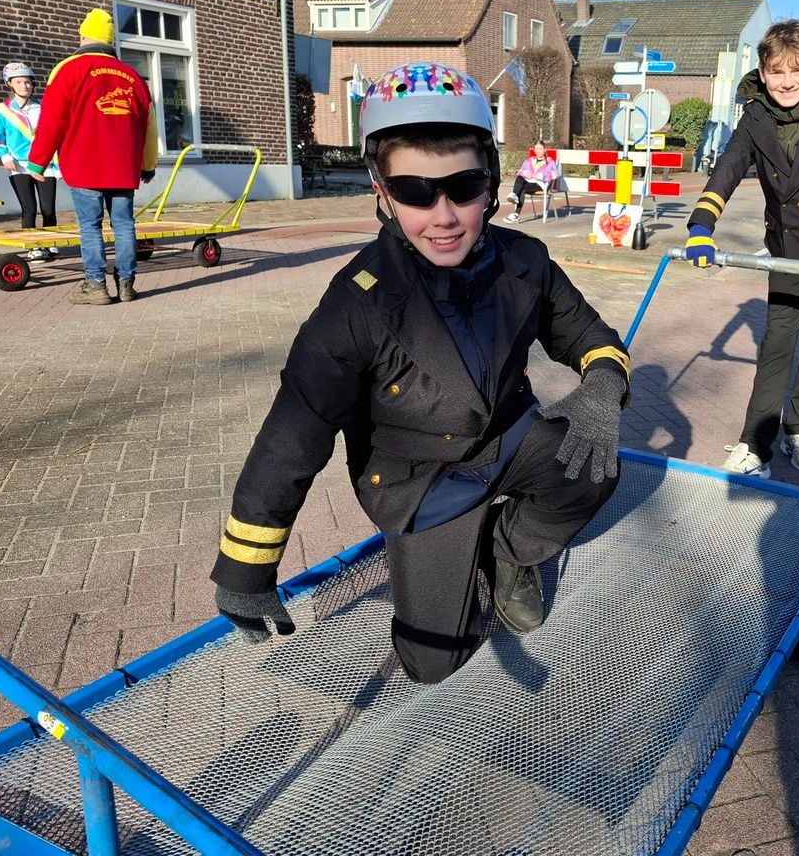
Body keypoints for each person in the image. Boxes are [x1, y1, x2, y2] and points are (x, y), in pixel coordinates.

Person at [209, 62, 630, 685]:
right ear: (382, 192)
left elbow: (587, 335)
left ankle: (510, 551)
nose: (444, 215)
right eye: (414, 192)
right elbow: (294, 433)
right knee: (433, 665)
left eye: (463, 187)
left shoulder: (525, 260)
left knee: (594, 467)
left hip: (508, 442)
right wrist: (246, 571)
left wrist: (600, 387)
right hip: (423, 483)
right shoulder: (356, 305)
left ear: (490, 184)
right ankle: (466, 547)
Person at [682, 19, 799, 479]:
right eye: (776, 71)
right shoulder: (757, 114)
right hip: (788, 246)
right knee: (778, 344)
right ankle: (755, 445)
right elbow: (728, 166)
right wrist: (702, 226)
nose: (786, 82)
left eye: (795, 70)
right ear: (764, 74)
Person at [26, 9, 158, 306]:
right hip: (123, 166)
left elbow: (53, 119)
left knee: (90, 226)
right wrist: (148, 164)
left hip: (84, 162)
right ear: (110, 41)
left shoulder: (68, 69)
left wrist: (38, 161)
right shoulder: (134, 75)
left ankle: (95, 286)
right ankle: (126, 284)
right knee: (124, 224)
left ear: (83, 35)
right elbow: (149, 127)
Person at [0, 62, 60, 261]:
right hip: (19, 165)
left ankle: (50, 242)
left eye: (28, 82)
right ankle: (33, 246)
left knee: (48, 207)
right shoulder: (1, 110)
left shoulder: (43, 107)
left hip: (44, 165)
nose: (25, 86)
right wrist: (4, 155)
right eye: (19, 82)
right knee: (28, 207)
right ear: (9, 84)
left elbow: (55, 132)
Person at [503, 140, 558, 223]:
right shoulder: (529, 161)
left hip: (541, 184)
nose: (538, 151)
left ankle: (516, 214)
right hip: (529, 182)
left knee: (522, 188)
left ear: (544, 150)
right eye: (537, 149)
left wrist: (541, 176)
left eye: (540, 149)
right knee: (520, 178)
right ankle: (514, 195)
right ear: (534, 150)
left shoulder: (550, 162)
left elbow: (555, 174)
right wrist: (526, 173)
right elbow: (520, 171)